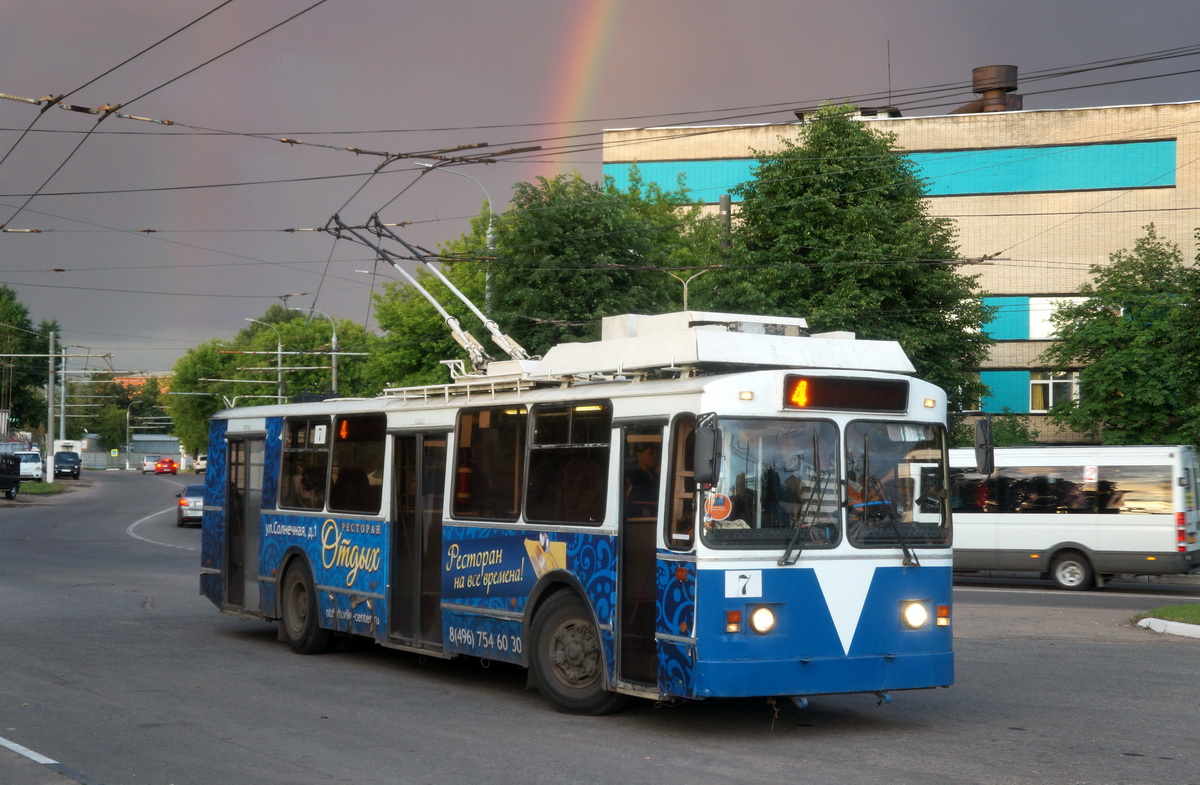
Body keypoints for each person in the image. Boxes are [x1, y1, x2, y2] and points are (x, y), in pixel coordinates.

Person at [625, 443, 660, 518]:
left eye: (656, 453)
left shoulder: (657, 475)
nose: (655, 456)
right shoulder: (634, 475)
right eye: (651, 453)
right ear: (639, 455)